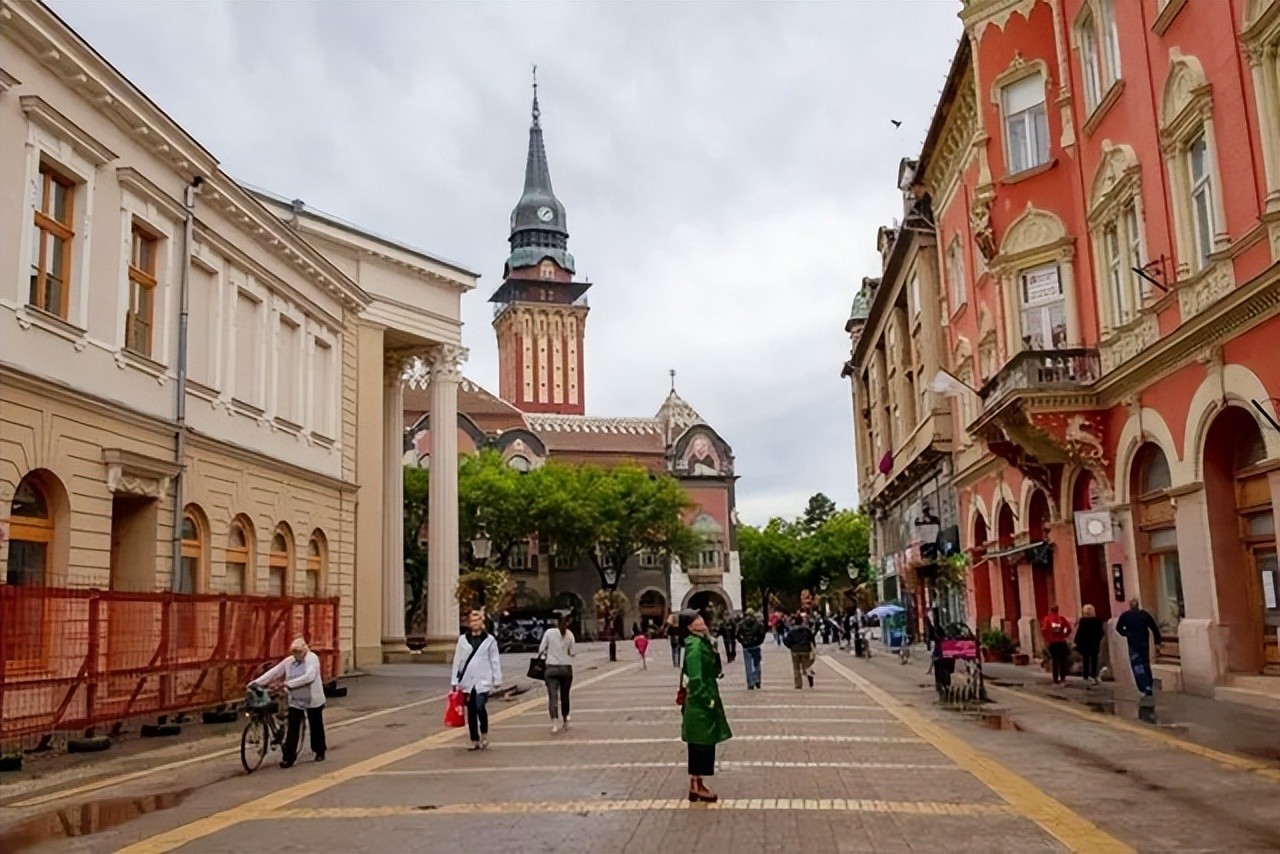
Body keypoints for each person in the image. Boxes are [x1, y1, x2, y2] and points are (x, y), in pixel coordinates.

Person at [679, 610, 732, 803]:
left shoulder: (702, 641)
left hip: (702, 699)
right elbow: (695, 677)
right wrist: (706, 699)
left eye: (700, 617)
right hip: (700, 702)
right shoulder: (694, 645)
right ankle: (697, 785)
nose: (701, 620)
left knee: (701, 742)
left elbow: (713, 669)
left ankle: (696, 783)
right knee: (702, 742)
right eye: (696, 619)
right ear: (690, 626)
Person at [250, 636, 326, 768]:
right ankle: (289, 757)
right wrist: (255, 683)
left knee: (316, 724)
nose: (296, 655)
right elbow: (273, 673)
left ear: (305, 650)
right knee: (293, 727)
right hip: (296, 700)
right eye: (294, 652)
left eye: (299, 652)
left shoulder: (312, 659)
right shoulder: (289, 661)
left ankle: (319, 750)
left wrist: (288, 684)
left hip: (312, 698)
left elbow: (309, 676)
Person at [451, 609, 503, 750]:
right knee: (471, 711)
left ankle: (484, 734)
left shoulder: (489, 640)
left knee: (480, 706)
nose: (475, 623)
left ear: (482, 622)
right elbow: (457, 661)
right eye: (472, 620)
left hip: (483, 680)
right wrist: (454, 681)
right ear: (469, 623)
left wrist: (497, 679)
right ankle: (474, 739)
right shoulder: (463, 640)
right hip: (467, 681)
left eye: (477, 620)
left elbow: (494, 660)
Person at [1116, 598, 1162, 697]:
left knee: (1137, 665)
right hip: (1144, 643)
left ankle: (1143, 686)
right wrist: (1157, 641)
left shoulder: (1126, 616)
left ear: (1130, 606)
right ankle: (1148, 684)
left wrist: (1126, 633)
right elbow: (1154, 628)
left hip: (1133, 643)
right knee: (1145, 663)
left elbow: (1118, 628)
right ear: (1138, 605)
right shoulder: (1144, 615)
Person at [538, 611, 575, 733]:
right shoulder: (570, 635)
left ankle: (554, 723)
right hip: (565, 668)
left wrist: (545, 654)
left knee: (552, 696)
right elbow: (572, 653)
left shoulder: (549, 632)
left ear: (556, 622)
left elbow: (541, 649)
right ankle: (565, 720)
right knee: (565, 695)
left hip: (551, 667)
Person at [1040, 605, 1074, 685]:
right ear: (1058, 610)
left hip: (1053, 642)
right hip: (1061, 642)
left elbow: (1044, 629)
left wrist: (1047, 638)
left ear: (1050, 610)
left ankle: (1055, 678)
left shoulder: (1047, 619)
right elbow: (1069, 628)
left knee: (1055, 661)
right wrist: (1065, 635)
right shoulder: (1061, 619)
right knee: (1063, 661)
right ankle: (1063, 678)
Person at [1074, 604, 1104, 687]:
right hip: (1094, 642)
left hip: (1085, 643)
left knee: (1085, 659)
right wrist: (1098, 639)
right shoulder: (1098, 620)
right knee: (1094, 659)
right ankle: (1094, 675)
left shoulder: (1083, 621)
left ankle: (1086, 675)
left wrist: (1076, 641)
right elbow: (1101, 632)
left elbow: (1080, 632)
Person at [782, 613, 816, 689]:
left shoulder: (792, 631)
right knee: (806, 666)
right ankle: (809, 674)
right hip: (806, 650)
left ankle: (798, 685)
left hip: (795, 651)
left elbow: (787, 641)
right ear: (802, 621)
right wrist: (812, 647)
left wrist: (791, 646)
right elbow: (812, 640)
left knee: (796, 668)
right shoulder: (807, 630)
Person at [737, 610, 766, 689]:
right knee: (756, 664)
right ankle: (757, 680)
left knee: (748, 665)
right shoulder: (759, 624)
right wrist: (758, 642)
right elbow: (762, 635)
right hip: (755, 646)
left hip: (746, 647)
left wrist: (743, 642)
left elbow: (737, 635)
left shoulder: (741, 624)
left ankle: (750, 683)